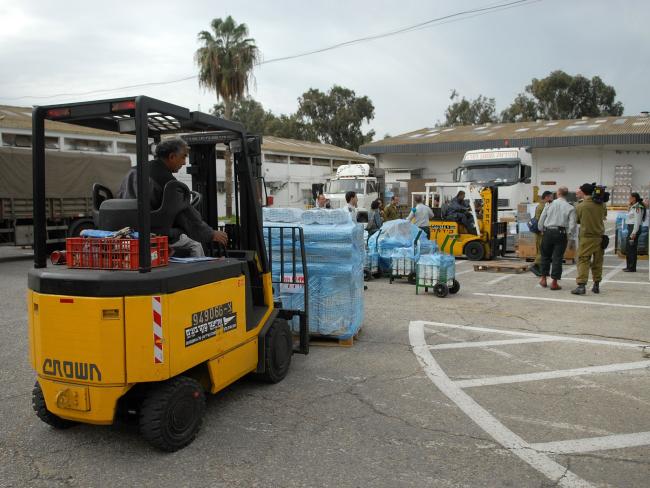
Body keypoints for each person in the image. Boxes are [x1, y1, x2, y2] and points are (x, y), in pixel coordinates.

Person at [117, 138, 228, 257]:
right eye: (183, 157)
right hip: (153, 234)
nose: (184, 162)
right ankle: (200, 274)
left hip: (127, 231)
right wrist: (210, 234)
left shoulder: (133, 171)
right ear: (172, 157)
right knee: (195, 244)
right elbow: (185, 216)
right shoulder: (168, 183)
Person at [537, 187, 576, 290]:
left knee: (545, 256)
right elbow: (572, 225)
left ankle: (543, 279)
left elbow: (542, 219)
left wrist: (541, 229)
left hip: (548, 232)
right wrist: (570, 237)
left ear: (558, 193)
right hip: (561, 233)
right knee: (557, 258)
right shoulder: (570, 207)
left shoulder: (549, 204)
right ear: (566, 194)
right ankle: (554, 282)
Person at [571, 183, 607, 295]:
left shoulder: (580, 206)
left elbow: (576, 221)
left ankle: (581, 286)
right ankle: (596, 285)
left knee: (583, 260)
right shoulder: (602, 205)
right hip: (600, 238)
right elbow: (604, 216)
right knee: (598, 261)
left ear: (583, 192)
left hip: (587, 238)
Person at [530, 191, 554, 277]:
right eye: (551, 197)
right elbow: (540, 219)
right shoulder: (543, 206)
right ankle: (535, 266)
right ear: (546, 197)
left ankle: (541, 270)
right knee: (542, 250)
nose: (552, 198)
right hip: (542, 232)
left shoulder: (541, 205)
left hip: (540, 231)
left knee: (541, 250)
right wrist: (543, 230)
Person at [623, 192, 646, 272]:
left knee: (631, 249)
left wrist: (634, 233)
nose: (629, 199)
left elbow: (637, 221)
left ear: (634, 198)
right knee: (629, 248)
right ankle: (629, 266)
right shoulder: (633, 207)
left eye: (630, 197)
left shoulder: (637, 208)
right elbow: (630, 217)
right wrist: (629, 207)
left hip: (634, 228)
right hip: (631, 228)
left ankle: (632, 267)